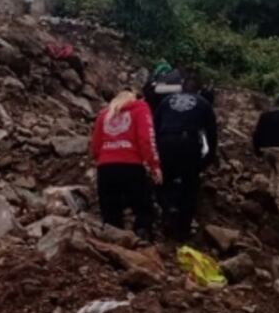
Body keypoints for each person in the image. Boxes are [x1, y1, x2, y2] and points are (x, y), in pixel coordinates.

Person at [90, 90, 163, 241]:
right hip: (131, 166)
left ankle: (113, 248)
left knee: (111, 213)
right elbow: (146, 139)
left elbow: (95, 145)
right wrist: (154, 165)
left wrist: (104, 157)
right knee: (143, 207)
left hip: (106, 168)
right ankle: (142, 238)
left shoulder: (105, 114)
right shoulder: (141, 108)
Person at [153, 79, 219, 240]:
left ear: (181, 89)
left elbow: (155, 126)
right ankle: (183, 228)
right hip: (187, 143)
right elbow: (211, 131)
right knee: (190, 184)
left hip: (165, 141)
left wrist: (155, 152)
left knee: (165, 180)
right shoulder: (203, 103)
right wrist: (209, 156)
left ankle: (168, 211)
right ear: (198, 91)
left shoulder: (167, 101)